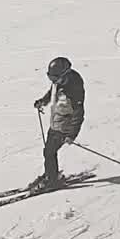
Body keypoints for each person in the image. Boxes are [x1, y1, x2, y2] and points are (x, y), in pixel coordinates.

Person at [33, 56, 85, 190]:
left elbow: (78, 114)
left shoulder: (74, 90)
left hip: (65, 127)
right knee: (49, 152)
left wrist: (71, 134)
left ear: (65, 74)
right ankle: (51, 174)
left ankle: (52, 180)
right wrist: (42, 101)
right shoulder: (59, 81)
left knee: (49, 152)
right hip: (56, 120)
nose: (53, 81)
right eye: (51, 78)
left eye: (55, 78)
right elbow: (52, 92)